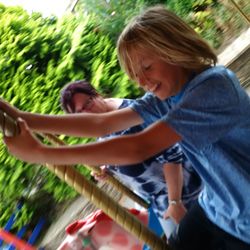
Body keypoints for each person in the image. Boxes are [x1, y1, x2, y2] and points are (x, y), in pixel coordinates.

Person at [1, 5, 250, 250]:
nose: (142, 82)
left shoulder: (213, 87)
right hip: (218, 206)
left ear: (175, 49)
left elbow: (139, 146)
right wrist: (23, 118)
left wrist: (42, 153)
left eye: (147, 68)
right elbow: (102, 123)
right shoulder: (166, 97)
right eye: (134, 75)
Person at [59, 80, 202, 240]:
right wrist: (110, 169)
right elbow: (125, 154)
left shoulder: (131, 116)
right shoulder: (100, 125)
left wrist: (175, 202)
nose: (87, 113)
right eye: (80, 112)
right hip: (161, 202)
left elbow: (173, 155)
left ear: (97, 95)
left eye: (88, 103)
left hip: (185, 191)